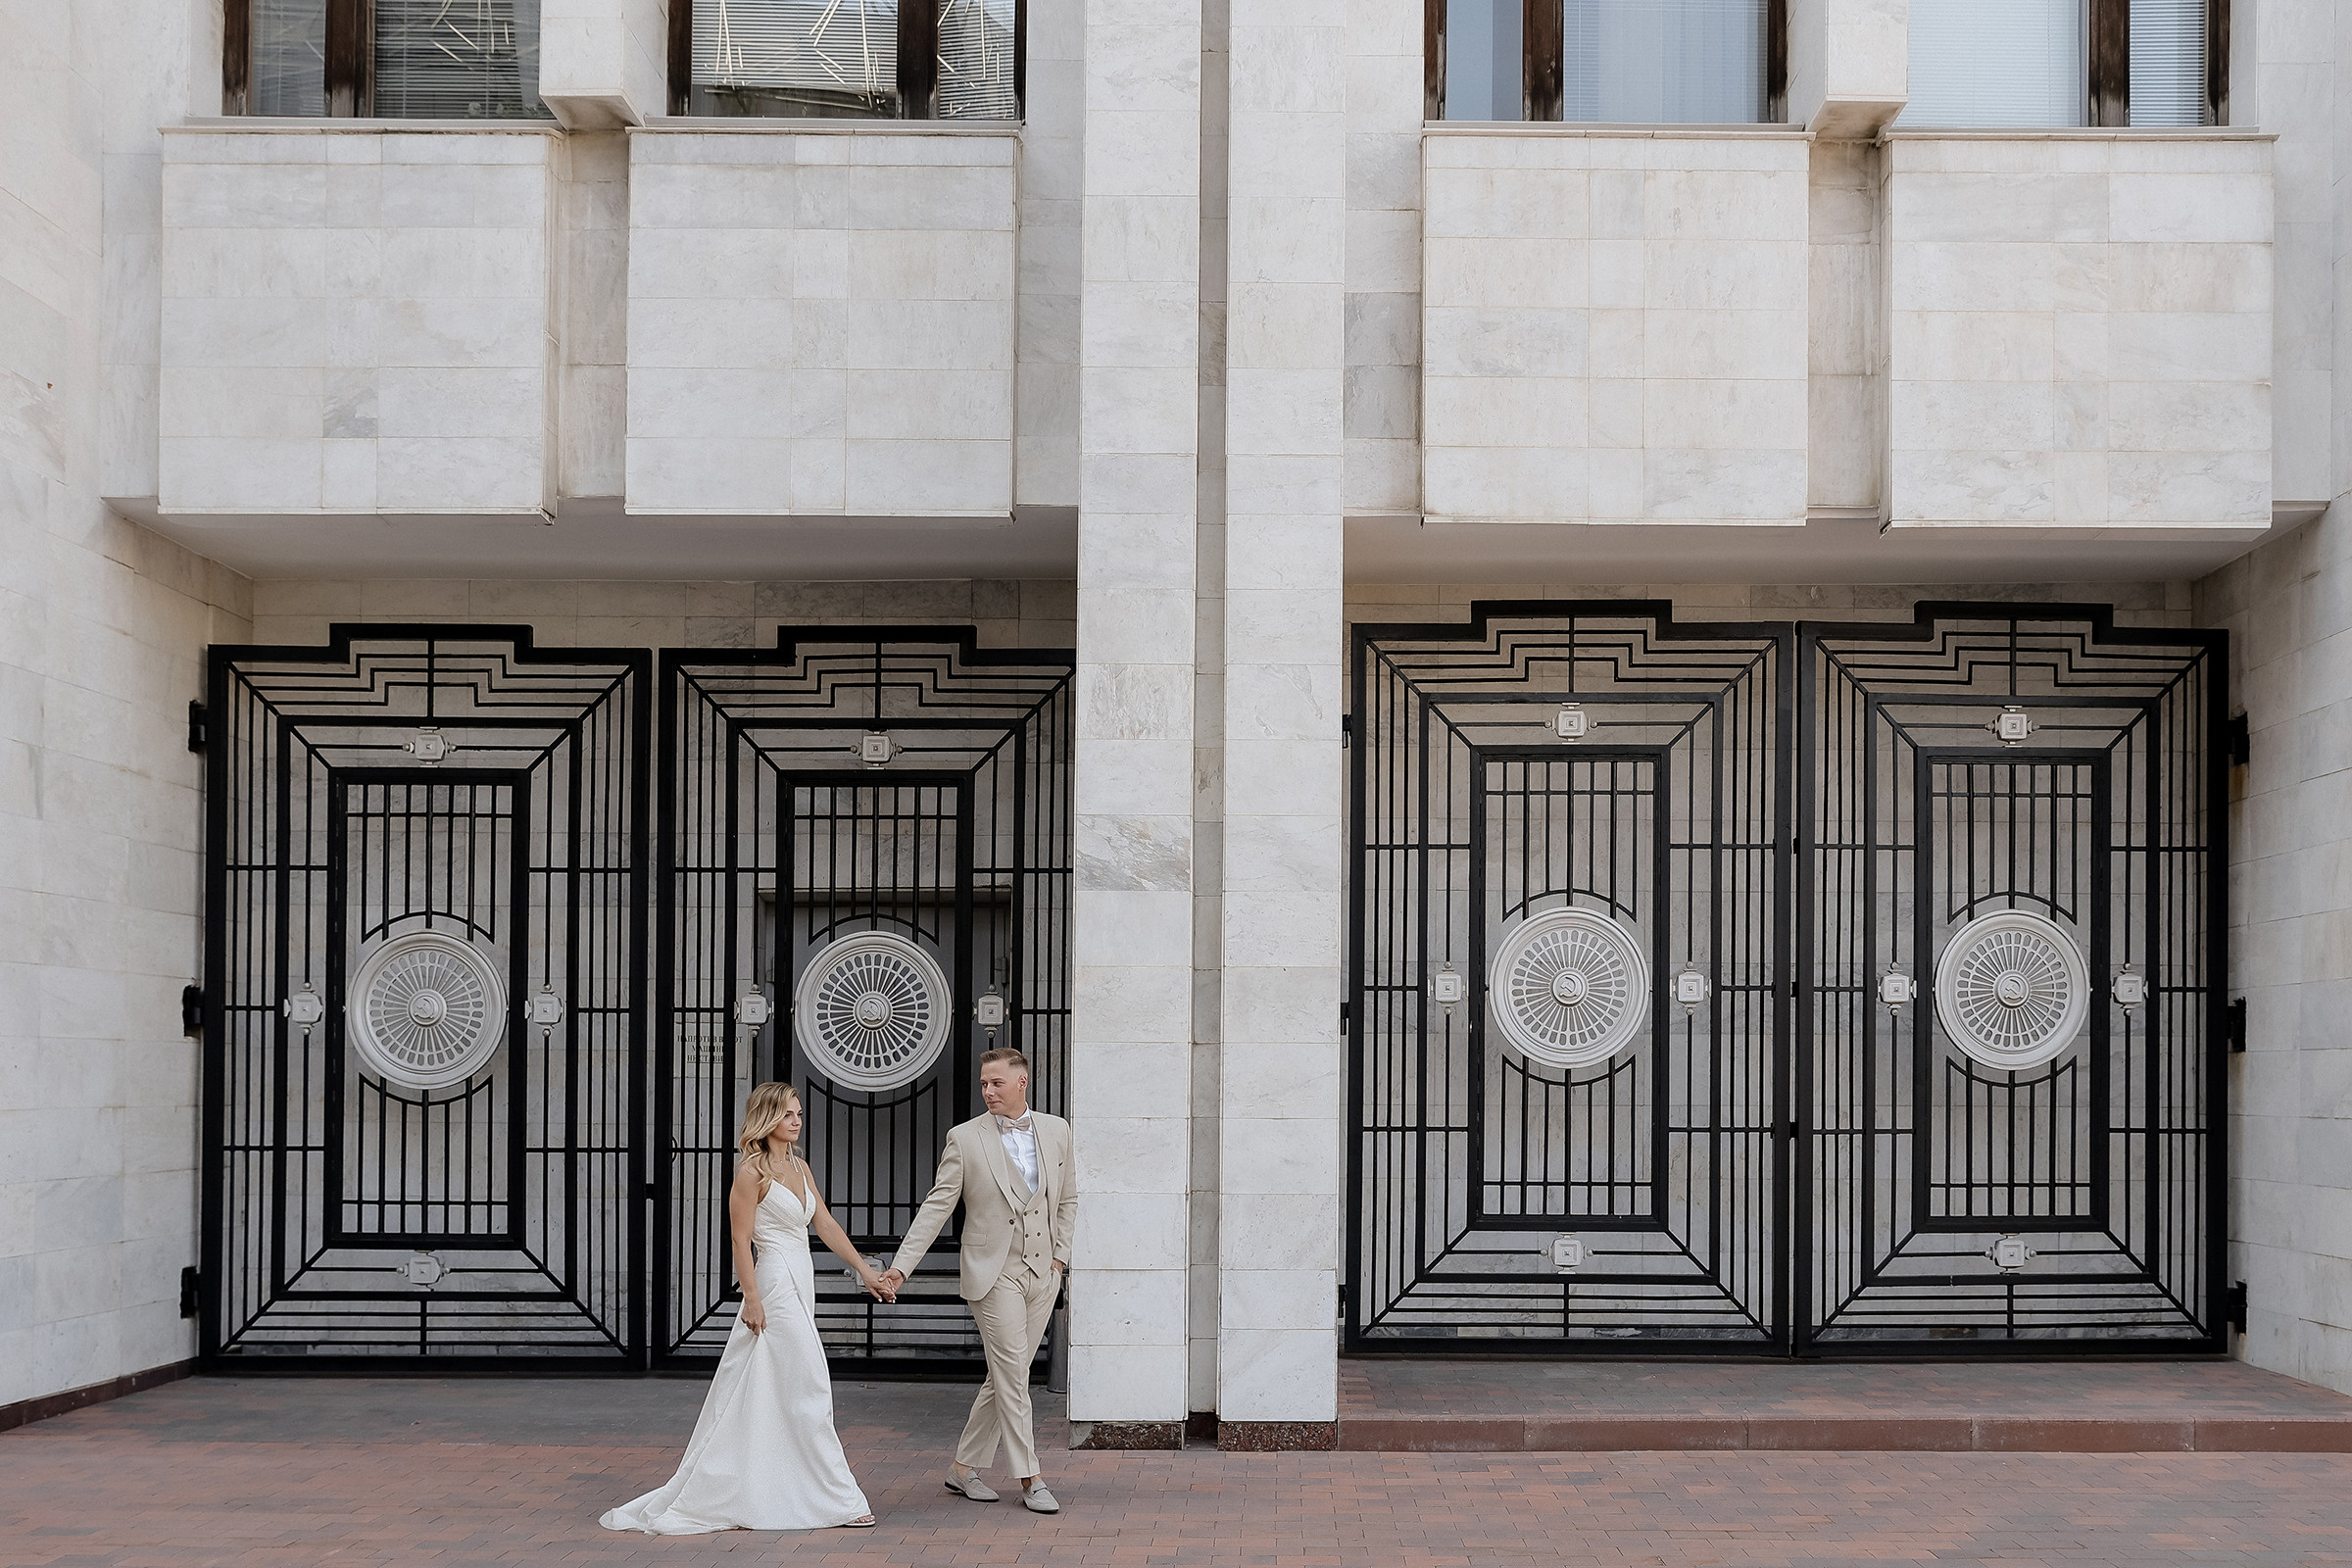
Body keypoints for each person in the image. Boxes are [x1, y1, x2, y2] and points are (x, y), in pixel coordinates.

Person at [602, 1081, 888, 1534]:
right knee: (810, 1383)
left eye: (799, 1113)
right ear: (768, 1118)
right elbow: (739, 1239)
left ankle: (767, 1483)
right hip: (773, 1282)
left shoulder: (799, 1165)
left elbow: (825, 1222)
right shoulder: (750, 1173)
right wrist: (751, 1298)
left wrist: (865, 1272)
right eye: (789, 1113)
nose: (797, 1120)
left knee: (770, 1386)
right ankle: (841, 1499)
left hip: (802, 1278)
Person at [877, 1047, 1077, 1514]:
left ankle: (963, 1469)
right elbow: (936, 1207)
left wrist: (1060, 1260)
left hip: (1042, 1272)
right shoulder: (964, 1139)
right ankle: (1032, 1477)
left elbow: (1067, 1199)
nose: (987, 1091)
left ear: (1021, 1083)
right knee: (1012, 1377)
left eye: (996, 1083)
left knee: (1008, 1374)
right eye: (984, 1083)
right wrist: (901, 1267)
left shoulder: (1056, 1130)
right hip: (993, 1274)